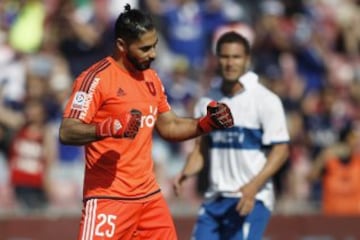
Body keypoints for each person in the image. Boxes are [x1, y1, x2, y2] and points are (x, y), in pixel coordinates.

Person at [59, 4, 233, 240]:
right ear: (121, 45)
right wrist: (108, 127)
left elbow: (169, 126)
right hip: (109, 199)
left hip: (149, 199)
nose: (153, 54)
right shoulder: (95, 79)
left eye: (154, 46)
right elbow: (67, 131)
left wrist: (206, 124)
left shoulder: (151, 78)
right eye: (145, 48)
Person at [173, 31, 290, 240]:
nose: (230, 63)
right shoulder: (207, 101)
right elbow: (202, 149)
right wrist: (185, 174)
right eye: (225, 56)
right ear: (217, 59)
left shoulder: (265, 100)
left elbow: (281, 150)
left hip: (249, 198)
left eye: (236, 57)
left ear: (247, 60)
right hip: (215, 199)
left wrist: (253, 187)